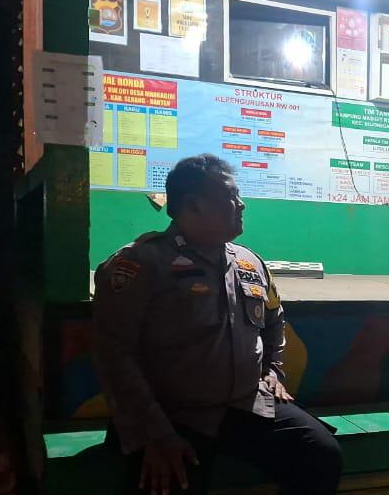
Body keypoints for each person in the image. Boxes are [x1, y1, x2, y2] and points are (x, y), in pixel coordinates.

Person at [93, 154, 341, 494]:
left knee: (320, 454)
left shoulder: (249, 262)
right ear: (194, 206)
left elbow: (274, 319)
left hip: (245, 406)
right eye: (231, 196)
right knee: (170, 479)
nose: (242, 204)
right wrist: (153, 432)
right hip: (173, 417)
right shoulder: (140, 264)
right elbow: (114, 355)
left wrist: (272, 369)